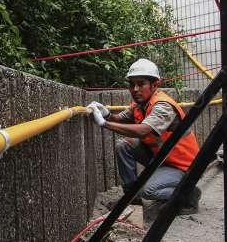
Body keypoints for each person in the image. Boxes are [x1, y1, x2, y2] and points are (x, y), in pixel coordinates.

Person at [86, 58, 201, 214]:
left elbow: (143, 130)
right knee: (123, 146)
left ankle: (189, 194)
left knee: (147, 191)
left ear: (155, 85)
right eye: (132, 84)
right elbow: (121, 118)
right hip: (162, 158)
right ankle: (132, 199)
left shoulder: (163, 106)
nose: (135, 89)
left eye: (141, 84)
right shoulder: (140, 103)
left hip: (184, 167)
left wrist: (104, 124)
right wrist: (105, 113)